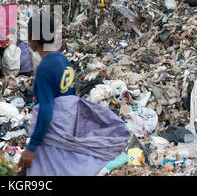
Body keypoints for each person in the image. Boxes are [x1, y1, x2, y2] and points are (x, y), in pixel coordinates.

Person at [18, 11, 130, 176]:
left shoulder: (45, 68)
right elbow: (70, 100)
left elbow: (47, 109)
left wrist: (32, 146)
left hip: (52, 137)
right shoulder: (63, 61)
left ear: (33, 38)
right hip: (68, 130)